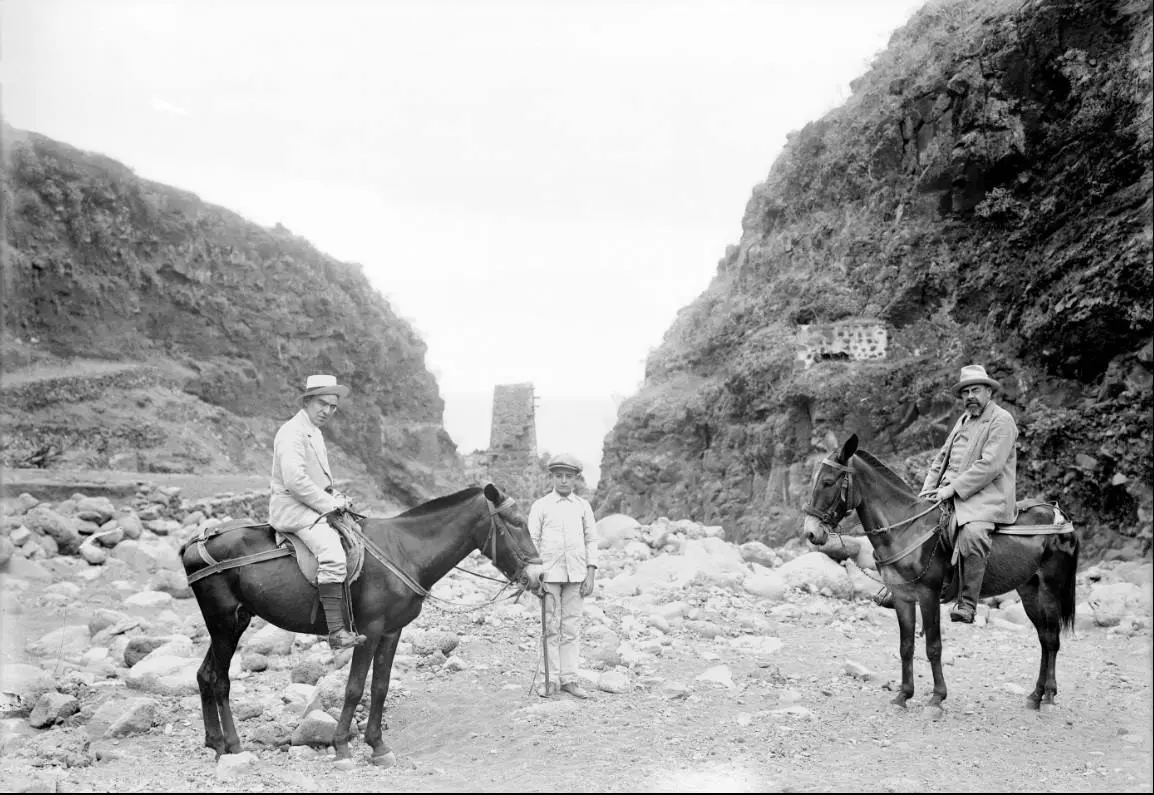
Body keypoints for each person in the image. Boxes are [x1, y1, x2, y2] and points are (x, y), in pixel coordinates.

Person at [269, 373, 367, 649]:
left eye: (333, 406)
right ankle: (335, 631)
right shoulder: (292, 432)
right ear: (308, 401)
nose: (327, 411)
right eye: (322, 403)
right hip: (294, 509)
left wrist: (337, 498)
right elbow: (295, 481)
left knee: (356, 534)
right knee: (333, 555)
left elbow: (318, 480)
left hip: (310, 505)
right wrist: (329, 504)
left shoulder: (313, 431)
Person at [918, 364, 1019, 623]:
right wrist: (927, 490)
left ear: (988, 392)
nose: (970, 396)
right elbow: (940, 459)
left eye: (975, 390)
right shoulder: (963, 420)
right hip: (949, 493)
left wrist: (951, 489)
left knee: (973, 533)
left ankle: (967, 603)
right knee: (917, 524)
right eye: (965, 392)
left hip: (987, 496)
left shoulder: (1001, 420)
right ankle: (906, 586)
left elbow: (990, 465)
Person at [528, 453, 599, 699]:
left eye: (569, 476)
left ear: (576, 479)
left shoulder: (583, 506)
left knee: (571, 628)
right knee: (550, 628)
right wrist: (535, 575)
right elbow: (532, 541)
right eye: (559, 476)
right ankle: (550, 680)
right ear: (552, 477)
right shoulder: (541, 506)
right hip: (549, 575)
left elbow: (591, 540)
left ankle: (569, 678)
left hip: (577, 575)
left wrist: (591, 573)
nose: (564, 481)